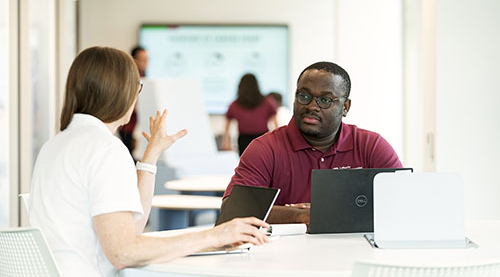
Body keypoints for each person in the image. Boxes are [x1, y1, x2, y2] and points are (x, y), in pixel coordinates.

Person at [29, 46, 269, 277]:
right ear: (122, 92)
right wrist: (216, 236)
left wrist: (150, 156)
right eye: (137, 88)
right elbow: (123, 253)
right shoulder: (105, 149)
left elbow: (132, 230)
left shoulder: (55, 145)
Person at [222, 61, 402, 225]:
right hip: (282, 257)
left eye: (325, 100)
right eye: (304, 96)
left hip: (356, 252)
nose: (312, 106)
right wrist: (300, 215)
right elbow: (233, 212)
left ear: (345, 107)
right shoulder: (265, 149)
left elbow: (403, 203)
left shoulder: (371, 146)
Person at [221, 73, 278, 155]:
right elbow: (275, 122)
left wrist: (226, 142)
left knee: (245, 165)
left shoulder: (235, 104)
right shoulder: (267, 102)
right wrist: (277, 140)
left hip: (244, 140)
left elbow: (227, 125)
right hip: (263, 138)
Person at [118, 46, 148, 159]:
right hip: (128, 127)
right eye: (143, 59)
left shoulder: (144, 77)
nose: (146, 63)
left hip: (136, 126)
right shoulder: (131, 78)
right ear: (135, 60)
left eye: (147, 59)